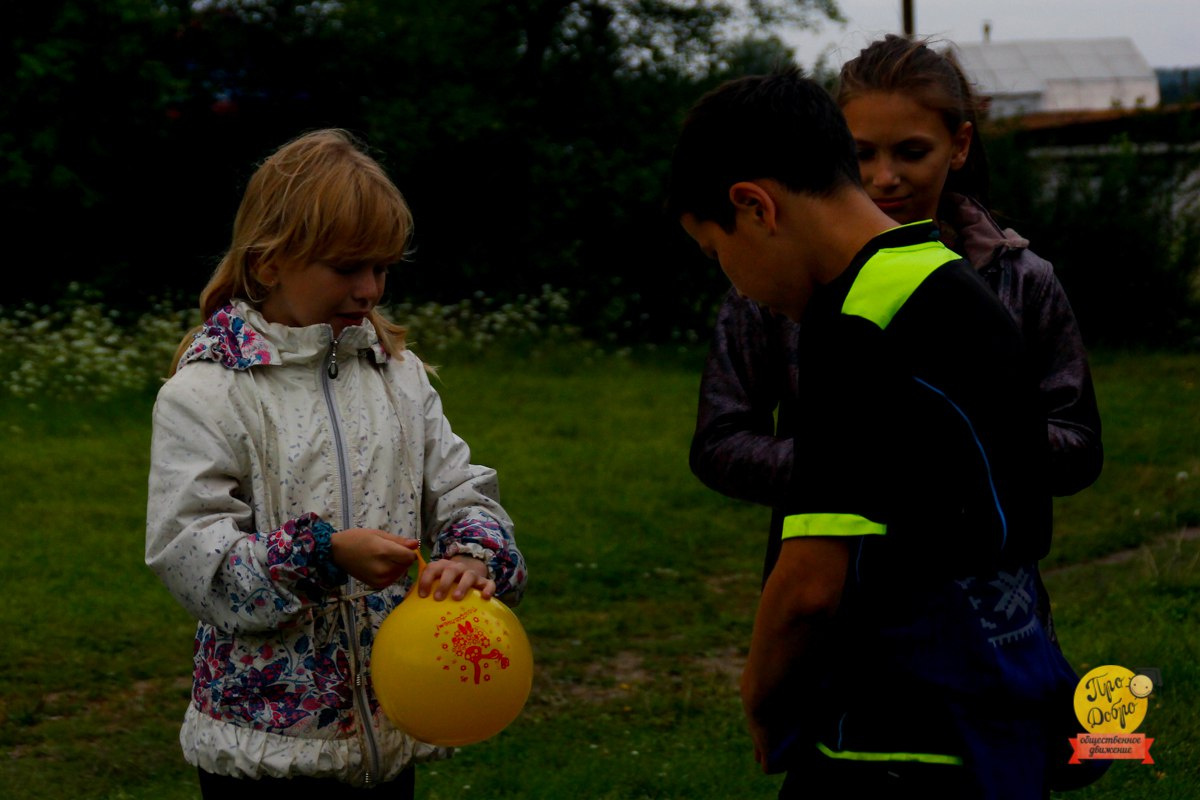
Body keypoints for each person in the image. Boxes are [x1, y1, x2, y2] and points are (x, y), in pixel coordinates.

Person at [668, 69, 1084, 798]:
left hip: (900, 737)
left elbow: (808, 589)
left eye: (716, 254)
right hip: (1005, 702)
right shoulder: (953, 279)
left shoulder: (857, 323)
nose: (735, 284)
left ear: (754, 206)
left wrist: (761, 701)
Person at [145, 129, 527, 798]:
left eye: (382, 268)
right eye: (348, 267)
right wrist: (323, 555)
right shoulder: (205, 393)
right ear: (269, 263)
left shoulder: (400, 379)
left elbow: (465, 492)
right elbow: (189, 556)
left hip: (394, 723)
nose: (370, 290)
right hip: (263, 753)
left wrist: (472, 552)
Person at [690, 36, 1102, 595]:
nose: (885, 178)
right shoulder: (773, 280)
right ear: (832, 148)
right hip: (829, 593)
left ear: (958, 146)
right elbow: (719, 442)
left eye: (911, 152)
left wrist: (951, 457)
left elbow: (1079, 446)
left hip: (983, 608)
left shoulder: (1019, 278)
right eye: (862, 153)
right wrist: (850, 470)